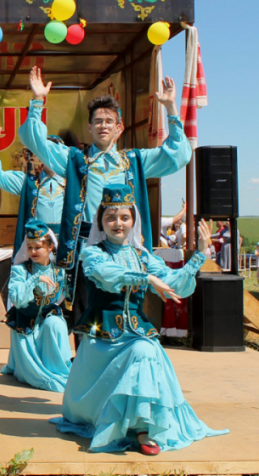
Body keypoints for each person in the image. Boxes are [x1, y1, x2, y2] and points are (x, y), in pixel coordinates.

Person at [50, 184, 227, 455]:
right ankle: (115, 422)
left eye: (124, 217)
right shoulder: (93, 254)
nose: (117, 223)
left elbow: (174, 284)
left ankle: (142, 429)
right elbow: (109, 276)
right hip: (102, 340)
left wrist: (199, 255)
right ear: (101, 222)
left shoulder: (143, 256)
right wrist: (146, 278)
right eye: (110, 217)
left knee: (145, 350)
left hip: (135, 334)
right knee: (143, 352)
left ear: (133, 220)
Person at [19, 67, 192, 325]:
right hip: (85, 243)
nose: (103, 126)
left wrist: (171, 110)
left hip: (124, 245)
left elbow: (178, 155)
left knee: (123, 306)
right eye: (98, 121)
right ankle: (85, 362)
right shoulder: (75, 159)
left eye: (109, 121)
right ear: (89, 127)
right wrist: (37, 101)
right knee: (84, 310)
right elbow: (35, 141)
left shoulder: (133, 160)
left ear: (119, 128)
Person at [2, 219, 72, 392]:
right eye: (29, 247)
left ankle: (57, 368)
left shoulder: (59, 270)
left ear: (50, 248)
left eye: (38, 247)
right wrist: (34, 280)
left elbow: (66, 294)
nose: (33, 251)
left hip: (46, 319)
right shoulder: (21, 270)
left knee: (55, 324)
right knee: (32, 375)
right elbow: (17, 300)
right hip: (25, 323)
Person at [0, 118, 65, 254]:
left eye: (55, 152)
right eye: (46, 152)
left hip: (66, 242)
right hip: (37, 245)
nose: (51, 157)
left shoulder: (73, 183)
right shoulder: (29, 182)